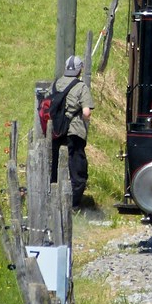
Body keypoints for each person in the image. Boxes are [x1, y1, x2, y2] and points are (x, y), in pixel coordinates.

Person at [51, 54, 95, 209]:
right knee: (77, 168)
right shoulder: (81, 86)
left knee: (56, 164)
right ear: (79, 69)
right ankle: (74, 205)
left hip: (56, 131)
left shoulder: (56, 84)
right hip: (74, 132)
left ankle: (54, 200)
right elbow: (86, 112)